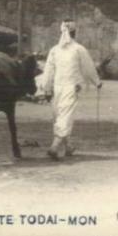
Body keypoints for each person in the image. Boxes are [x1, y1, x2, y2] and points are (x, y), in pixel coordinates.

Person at [42, 20, 102, 160]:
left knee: (59, 116)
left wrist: (47, 88)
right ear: (75, 32)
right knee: (64, 116)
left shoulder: (54, 50)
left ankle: (66, 146)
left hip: (59, 87)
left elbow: (48, 71)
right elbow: (89, 68)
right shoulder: (79, 49)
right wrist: (97, 82)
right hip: (71, 86)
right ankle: (55, 147)